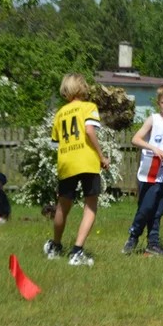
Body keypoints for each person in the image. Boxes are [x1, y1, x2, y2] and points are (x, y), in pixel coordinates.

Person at [43, 74, 109, 266]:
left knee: (63, 206)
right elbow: (89, 131)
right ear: (83, 88)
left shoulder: (60, 113)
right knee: (90, 205)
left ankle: (55, 246)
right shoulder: (89, 107)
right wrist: (101, 156)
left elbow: (56, 144)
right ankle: (77, 251)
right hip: (87, 161)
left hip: (66, 163)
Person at [123, 85, 163, 257]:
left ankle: (153, 244)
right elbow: (135, 139)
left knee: (158, 210)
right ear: (158, 103)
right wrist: (154, 149)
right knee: (146, 207)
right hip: (150, 171)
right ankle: (133, 236)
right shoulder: (153, 120)